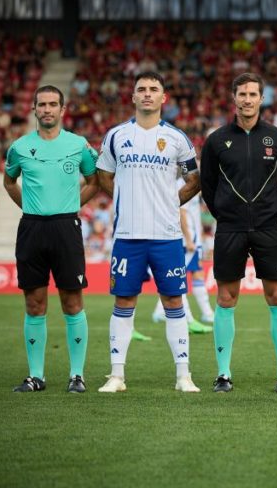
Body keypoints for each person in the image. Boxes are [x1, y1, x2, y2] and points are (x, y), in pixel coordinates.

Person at [95, 71, 201, 393]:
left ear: (163, 97)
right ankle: (117, 375)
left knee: (173, 300)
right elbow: (103, 176)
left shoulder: (177, 139)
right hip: (127, 235)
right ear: (133, 96)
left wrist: (171, 201)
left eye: (154, 89)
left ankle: (183, 376)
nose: (147, 94)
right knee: (124, 300)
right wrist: (124, 197)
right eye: (141, 89)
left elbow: (193, 179)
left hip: (167, 235)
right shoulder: (115, 136)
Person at [200, 72, 277, 393]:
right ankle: (223, 374)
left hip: (268, 227)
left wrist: (274, 212)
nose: (247, 99)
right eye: (242, 94)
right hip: (229, 228)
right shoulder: (216, 141)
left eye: (253, 94)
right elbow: (208, 186)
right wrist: (226, 215)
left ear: (261, 98)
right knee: (226, 298)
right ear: (234, 98)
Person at [3, 85, 99, 393]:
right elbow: (9, 180)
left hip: (65, 227)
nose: (47, 109)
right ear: (33, 109)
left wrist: (70, 205)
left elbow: (94, 180)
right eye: (41, 104)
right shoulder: (18, 147)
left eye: (52, 104)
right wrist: (30, 206)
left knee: (72, 301)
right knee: (34, 302)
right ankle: (36, 376)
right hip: (31, 227)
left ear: (62, 109)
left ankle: (77, 376)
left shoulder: (79, 144)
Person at [152, 183, 214, 333]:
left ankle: (206, 313)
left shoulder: (193, 182)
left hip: (194, 238)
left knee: (196, 272)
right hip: (187, 239)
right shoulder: (182, 183)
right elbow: (181, 212)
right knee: (179, 277)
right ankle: (191, 318)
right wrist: (188, 238)